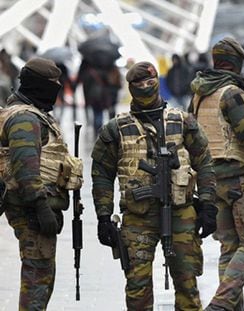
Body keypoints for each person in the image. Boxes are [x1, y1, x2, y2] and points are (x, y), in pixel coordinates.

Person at [91, 61, 217, 310]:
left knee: (187, 284)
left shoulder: (182, 121)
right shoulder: (116, 129)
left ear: (158, 83)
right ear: (130, 88)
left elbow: (204, 163)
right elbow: (102, 174)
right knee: (137, 288)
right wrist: (104, 216)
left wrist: (209, 204)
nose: (146, 88)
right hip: (138, 217)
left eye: (150, 83)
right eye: (139, 85)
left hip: (181, 211)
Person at [190, 37, 244, 311]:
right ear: (236, 63)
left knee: (229, 246)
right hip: (240, 180)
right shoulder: (231, 93)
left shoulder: (199, 95)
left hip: (213, 182)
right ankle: (220, 305)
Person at [0, 57, 82, 310]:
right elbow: (26, 169)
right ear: (38, 85)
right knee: (38, 276)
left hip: (32, 205)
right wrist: (41, 206)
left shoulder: (29, 113)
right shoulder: (25, 118)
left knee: (41, 273)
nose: (55, 90)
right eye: (52, 85)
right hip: (30, 207)